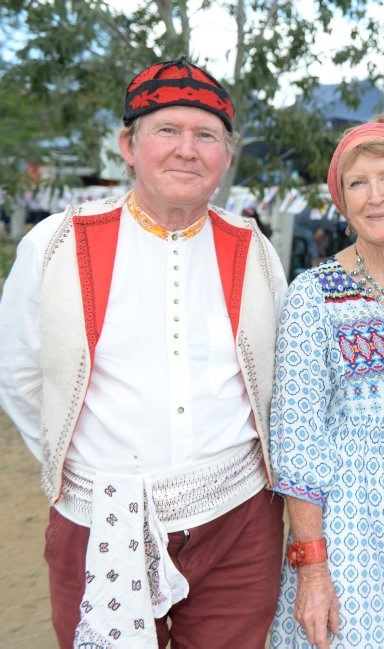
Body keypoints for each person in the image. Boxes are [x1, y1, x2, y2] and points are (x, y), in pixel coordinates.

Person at [0, 57, 287, 647]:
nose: (188, 150)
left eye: (206, 135)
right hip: (99, 521)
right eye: (167, 131)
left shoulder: (255, 250)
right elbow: (20, 375)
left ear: (226, 155)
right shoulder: (55, 244)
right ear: (128, 145)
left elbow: (276, 381)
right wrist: (82, 466)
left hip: (238, 521)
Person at [268, 114, 384, 649]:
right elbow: (296, 443)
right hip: (347, 546)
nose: (376, 196)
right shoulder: (314, 296)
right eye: (357, 183)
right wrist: (311, 571)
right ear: (342, 201)